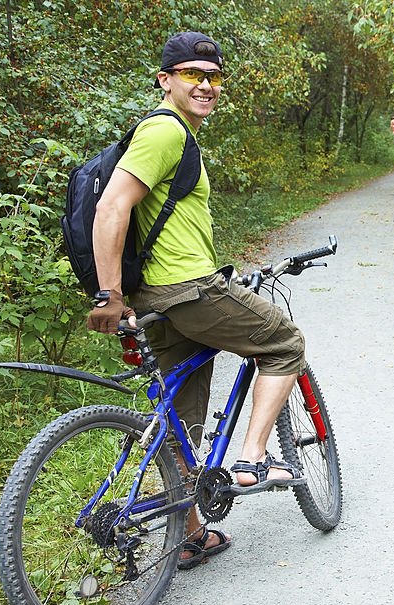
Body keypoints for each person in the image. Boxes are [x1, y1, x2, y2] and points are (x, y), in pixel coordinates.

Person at [87, 32, 307, 570]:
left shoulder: (172, 133)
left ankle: (189, 533)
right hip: (186, 289)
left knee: (183, 416)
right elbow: (112, 208)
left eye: (213, 77)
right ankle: (253, 460)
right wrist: (108, 293)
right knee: (284, 343)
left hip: (159, 298)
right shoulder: (164, 132)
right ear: (166, 79)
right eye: (192, 74)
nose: (205, 85)